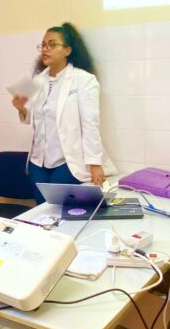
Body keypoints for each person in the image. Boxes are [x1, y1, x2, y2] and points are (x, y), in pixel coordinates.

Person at [11, 22, 114, 202]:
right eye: (43, 45)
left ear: (67, 50)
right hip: (37, 163)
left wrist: (95, 163)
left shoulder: (84, 80)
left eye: (52, 45)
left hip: (66, 162)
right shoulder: (37, 80)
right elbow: (33, 119)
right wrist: (21, 109)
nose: (45, 49)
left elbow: (90, 123)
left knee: (59, 211)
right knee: (42, 212)